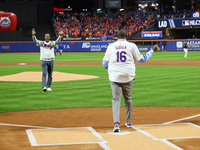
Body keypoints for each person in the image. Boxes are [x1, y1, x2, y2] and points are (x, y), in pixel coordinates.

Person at [102, 29, 158, 132]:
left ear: (117, 36)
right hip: (128, 76)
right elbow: (142, 59)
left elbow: (105, 65)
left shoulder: (111, 46)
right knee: (128, 98)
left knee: (116, 100)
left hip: (115, 77)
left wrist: (113, 66)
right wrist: (152, 50)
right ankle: (129, 122)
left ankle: (116, 124)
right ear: (126, 36)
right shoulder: (132, 46)